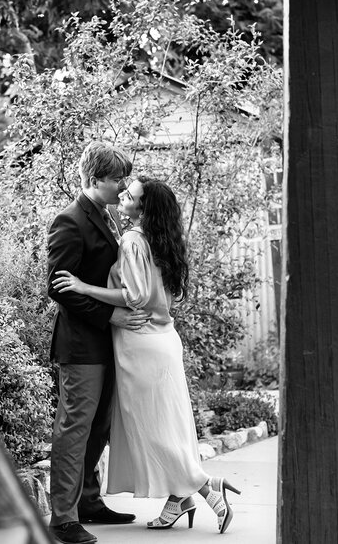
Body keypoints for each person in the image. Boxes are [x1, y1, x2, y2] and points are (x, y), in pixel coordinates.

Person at [52, 176, 242, 534]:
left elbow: (134, 296)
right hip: (164, 339)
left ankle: (206, 487)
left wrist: (82, 286)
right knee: (168, 427)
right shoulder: (163, 241)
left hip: (140, 342)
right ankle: (181, 498)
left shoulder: (133, 239)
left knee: (152, 429)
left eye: (130, 195)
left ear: (143, 208)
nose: (123, 195)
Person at [46, 142, 151, 544]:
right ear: (95, 179)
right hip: (81, 346)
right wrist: (111, 315)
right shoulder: (69, 221)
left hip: (110, 344)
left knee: (100, 427)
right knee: (75, 428)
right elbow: (60, 288)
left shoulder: (108, 218)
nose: (123, 185)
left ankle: (89, 501)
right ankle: (62, 519)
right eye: (117, 178)